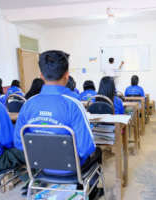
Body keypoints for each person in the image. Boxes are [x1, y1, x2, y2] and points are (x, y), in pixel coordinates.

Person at [14, 50, 103, 199]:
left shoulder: (28, 104)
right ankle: (91, 191)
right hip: (71, 169)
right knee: (97, 151)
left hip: (40, 167)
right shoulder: (73, 104)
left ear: (41, 75)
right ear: (67, 75)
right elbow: (86, 148)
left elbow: (18, 143)